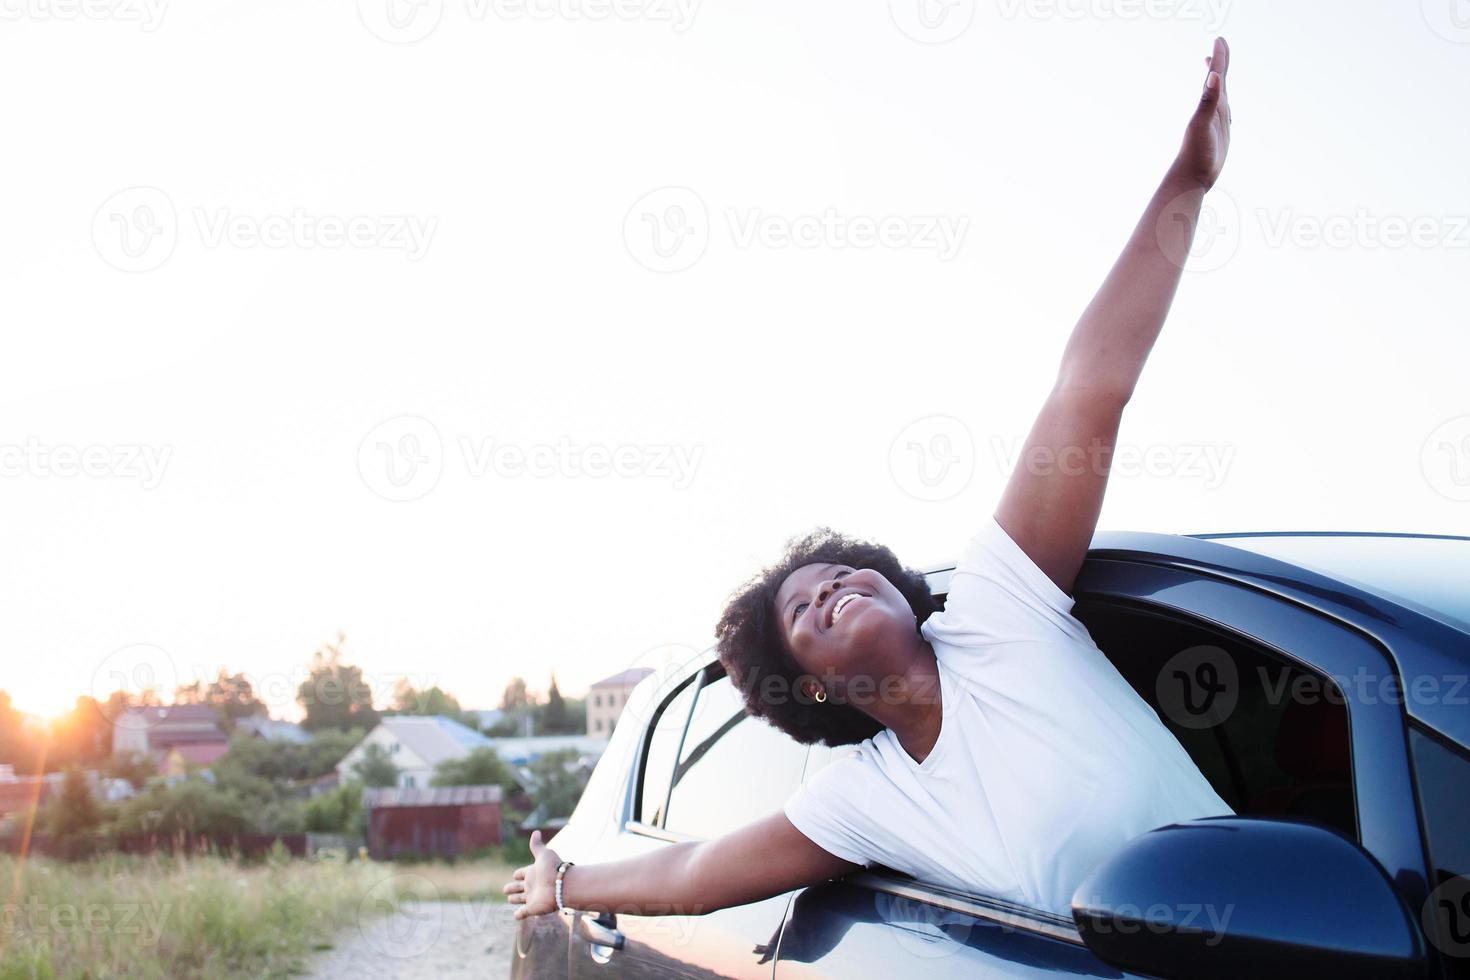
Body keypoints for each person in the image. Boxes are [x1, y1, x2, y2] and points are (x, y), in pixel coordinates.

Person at [505, 37, 1236, 922]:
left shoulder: (1001, 616)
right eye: (802, 612)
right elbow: (694, 877)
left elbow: (1088, 390)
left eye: (840, 574)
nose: (832, 590)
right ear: (810, 687)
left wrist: (1186, 184)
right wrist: (565, 884)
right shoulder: (866, 804)